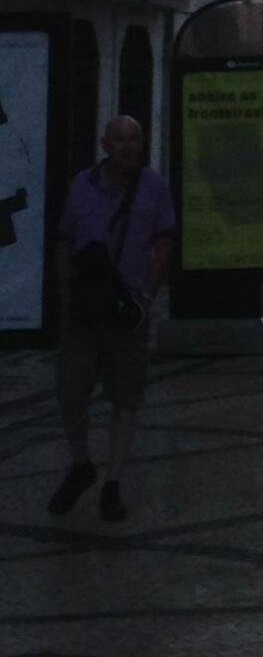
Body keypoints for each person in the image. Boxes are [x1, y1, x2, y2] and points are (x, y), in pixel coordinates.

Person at [50, 115, 175, 521]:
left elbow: (163, 243)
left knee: (125, 396)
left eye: (134, 138)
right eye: (120, 138)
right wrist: (67, 293)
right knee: (71, 394)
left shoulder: (154, 188)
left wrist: (149, 292)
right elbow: (65, 240)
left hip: (126, 311)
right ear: (105, 143)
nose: (128, 145)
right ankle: (82, 462)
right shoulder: (81, 186)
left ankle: (113, 482)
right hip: (85, 309)